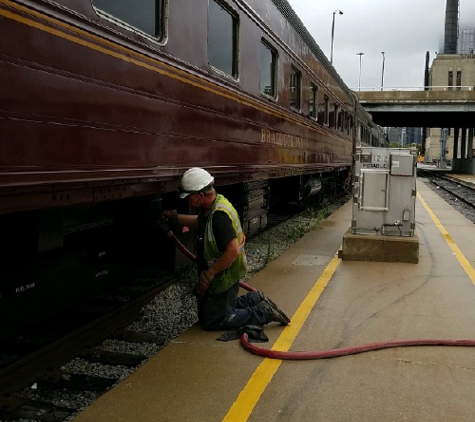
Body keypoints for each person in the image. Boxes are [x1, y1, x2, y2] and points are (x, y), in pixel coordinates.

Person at [164, 167, 290, 331]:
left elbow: (232, 251)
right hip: (225, 271)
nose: (187, 200)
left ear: (200, 195)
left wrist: (208, 275)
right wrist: (175, 218)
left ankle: (263, 312)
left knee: (213, 321)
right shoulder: (214, 204)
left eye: (189, 197)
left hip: (223, 274)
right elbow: (200, 221)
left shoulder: (219, 217)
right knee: (209, 312)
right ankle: (254, 298)